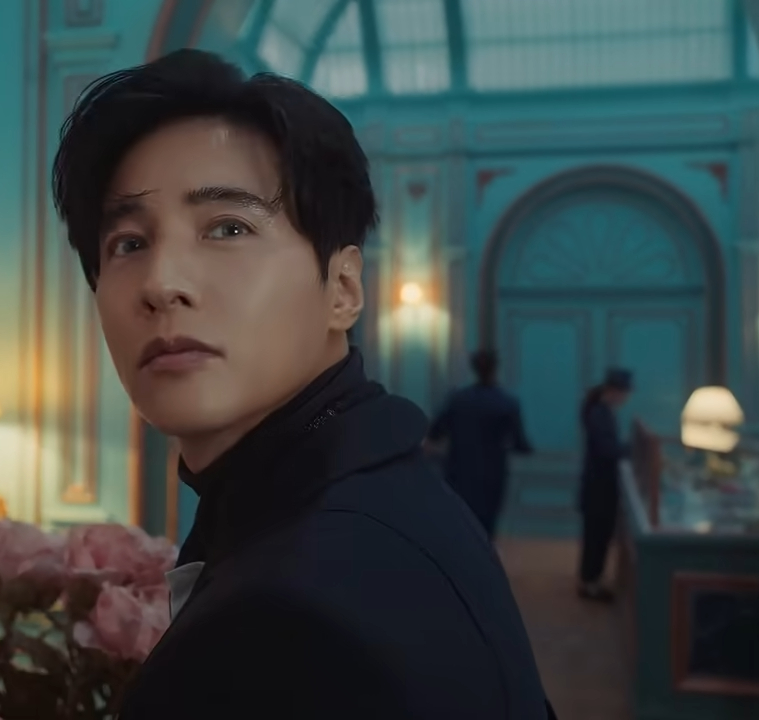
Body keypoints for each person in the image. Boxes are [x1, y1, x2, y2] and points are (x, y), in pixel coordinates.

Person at [51, 49, 554, 719]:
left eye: (227, 228)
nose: (161, 284)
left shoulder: (290, 613)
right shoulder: (383, 486)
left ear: (342, 288)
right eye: (129, 243)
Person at [427, 349, 532, 540]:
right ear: (495, 369)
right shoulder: (507, 403)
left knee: (460, 526)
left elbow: (435, 432)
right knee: (486, 530)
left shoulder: (457, 400)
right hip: (492, 476)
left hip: (459, 472)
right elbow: (521, 444)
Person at [577, 368, 633, 602]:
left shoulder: (600, 410)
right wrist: (629, 450)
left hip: (599, 485)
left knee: (598, 536)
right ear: (615, 391)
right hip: (599, 487)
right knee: (597, 537)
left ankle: (591, 580)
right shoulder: (600, 413)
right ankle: (590, 583)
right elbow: (606, 450)